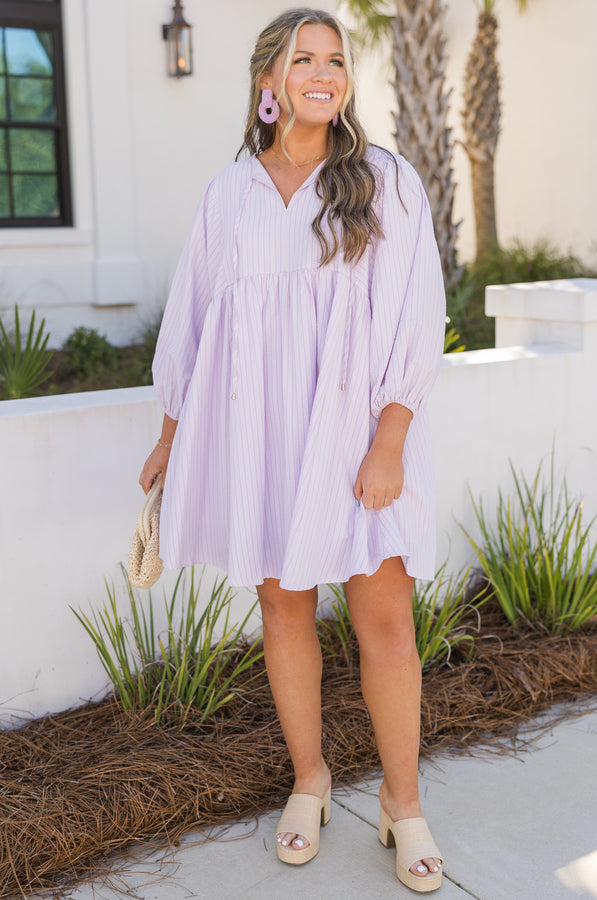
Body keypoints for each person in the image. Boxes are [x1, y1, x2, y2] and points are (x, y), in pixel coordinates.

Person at [139, 7, 446, 892]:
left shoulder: (383, 181)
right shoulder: (229, 193)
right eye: (302, 59)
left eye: (335, 60)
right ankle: (310, 781)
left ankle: (403, 800)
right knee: (283, 611)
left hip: (359, 439)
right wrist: (168, 435)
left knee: (385, 620)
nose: (322, 72)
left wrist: (390, 440)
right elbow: (196, 320)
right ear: (268, 82)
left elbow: (414, 320)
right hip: (262, 437)